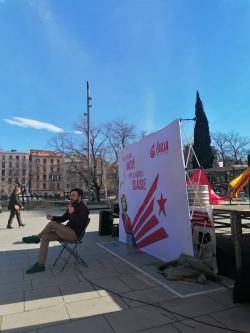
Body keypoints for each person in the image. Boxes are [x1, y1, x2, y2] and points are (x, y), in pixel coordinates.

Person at [23, 188, 89, 274]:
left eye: (73, 195)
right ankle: (40, 264)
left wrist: (72, 213)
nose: (71, 197)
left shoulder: (83, 208)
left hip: (74, 234)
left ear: (79, 197)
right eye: (70, 195)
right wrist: (52, 217)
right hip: (66, 232)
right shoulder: (72, 206)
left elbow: (79, 224)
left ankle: (36, 238)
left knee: (52, 224)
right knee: (45, 237)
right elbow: (63, 218)